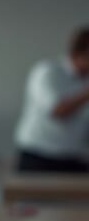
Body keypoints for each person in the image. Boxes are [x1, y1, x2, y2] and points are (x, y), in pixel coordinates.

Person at [14, 26, 89, 172]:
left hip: (74, 157)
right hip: (39, 157)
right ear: (77, 54)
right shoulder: (47, 72)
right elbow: (58, 111)